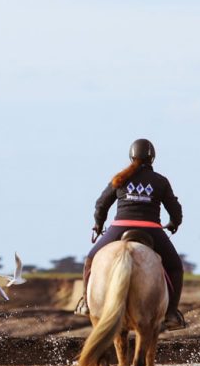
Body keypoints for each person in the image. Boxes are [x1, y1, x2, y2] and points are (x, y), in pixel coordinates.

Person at [74, 138, 187, 330]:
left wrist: (98, 225)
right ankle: (171, 314)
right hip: (151, 228)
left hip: (119, 227)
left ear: (131, 156)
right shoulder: (160, 181)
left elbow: (101, 204)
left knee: (90, 260)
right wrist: (174, 223)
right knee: (176, 268)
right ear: (152, 158)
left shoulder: (120, 178)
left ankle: (86, 303)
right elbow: (175, 209)